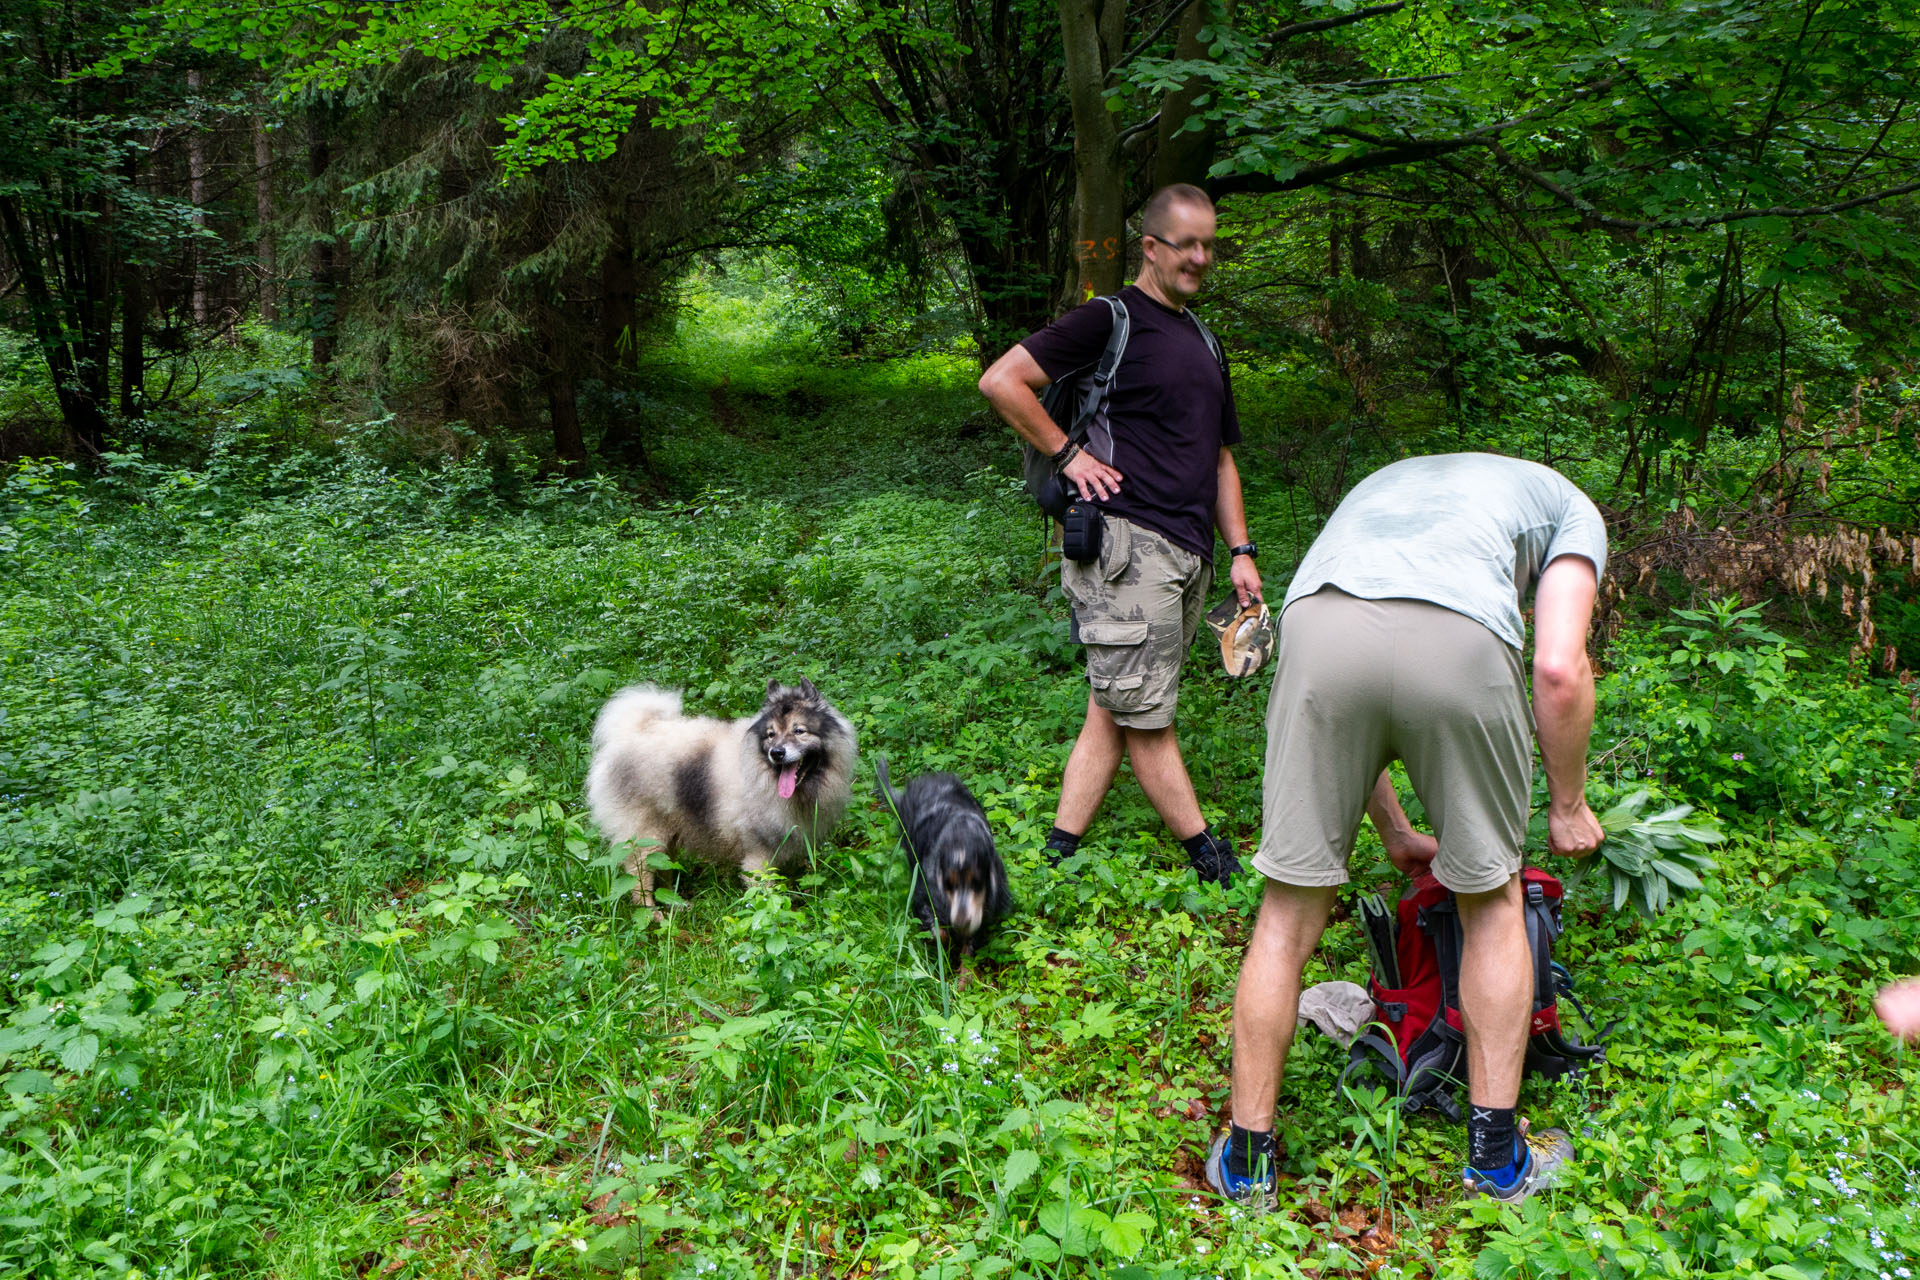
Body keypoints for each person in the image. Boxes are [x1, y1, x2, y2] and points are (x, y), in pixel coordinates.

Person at [1207, 452, 1610, 1207]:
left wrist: (1393, 829)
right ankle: (1496, 1162)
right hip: (1460, 640)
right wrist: (1567, 804)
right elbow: (1558, 668)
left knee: (1287, 915)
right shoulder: (1571, 509)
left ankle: (1247, 1164)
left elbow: (1371, 662)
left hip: (1319, 629)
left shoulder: (1387, 486)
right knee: (1489, 905)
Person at [977, 184, 1259, 885]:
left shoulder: (1204, 341)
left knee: (1115, 703)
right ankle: (1208, 856)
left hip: (1187, 553)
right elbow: (1002, 380)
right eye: (1187, 244)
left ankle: (1056, 853)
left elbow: (1222, 456)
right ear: (1152, 247)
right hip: (1129, 549)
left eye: (1209, 245)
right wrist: (1069, 455)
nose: (1201, 258)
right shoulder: (1110, 319)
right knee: (1146, 718)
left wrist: (1241, 550)